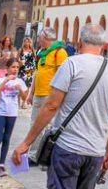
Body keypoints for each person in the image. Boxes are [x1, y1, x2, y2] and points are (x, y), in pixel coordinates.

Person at [12, 24, 108, 189]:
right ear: (104, 45)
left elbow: (51, 106)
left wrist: (27, 142)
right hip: (95, 152)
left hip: (68, 148)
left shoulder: (71, 64)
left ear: (79, 42)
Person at [25, 26, 68, 165]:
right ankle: (34, 153)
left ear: (45, 38)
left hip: (50, 95)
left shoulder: (59, 53)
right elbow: (37, 74)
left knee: (47, 127)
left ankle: (38, 155)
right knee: (35, 124)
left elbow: (64, 75)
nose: (38, 40)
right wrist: (31, 93)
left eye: (39, 37)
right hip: (38, 94)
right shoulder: (42, 52)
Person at [0, 57, 29, 177]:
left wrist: (20, 89)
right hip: (0, 112)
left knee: (6, 139)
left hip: (12, 113)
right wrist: (5, 81)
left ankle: (1, 165)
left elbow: (25, 98)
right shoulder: (1, 79)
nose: (15, 70)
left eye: (17, 67)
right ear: (8, 68)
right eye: (13, 67)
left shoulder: (20, 81)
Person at [18, 37, 36, 108]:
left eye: (28, 42)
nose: (26, 43)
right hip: (22, 70)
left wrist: (34, 68)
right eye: (25, 41)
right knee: (20, 85)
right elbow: (17, 59)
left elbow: (34, 60)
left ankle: (24, 102)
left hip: (30, 70)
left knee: (27, 86)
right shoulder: (21, 50)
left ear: (30, 43)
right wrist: (20, 62)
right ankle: (18, 100)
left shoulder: (32, 50)